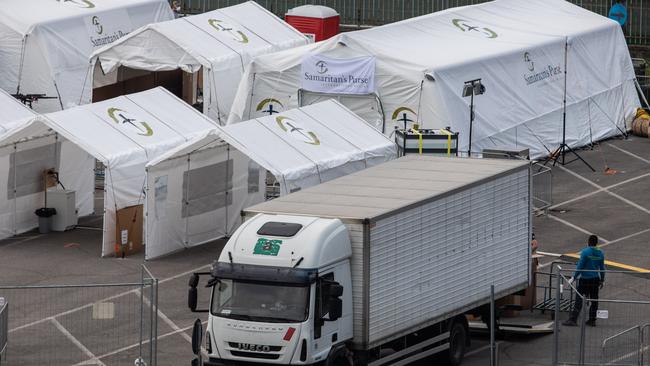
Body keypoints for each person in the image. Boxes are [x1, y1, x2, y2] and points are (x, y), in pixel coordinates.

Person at [563, 235, 605, 327]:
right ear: (596, 243)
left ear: (588, 242)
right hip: (595, 279)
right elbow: (602, 268)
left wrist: (574, 277)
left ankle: (573, 319)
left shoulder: (585, 252)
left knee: (579, 299)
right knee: (594, 300)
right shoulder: (600, 253)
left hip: (585, 279)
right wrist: (602, 280)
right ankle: (592, 320)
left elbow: (580, 266)